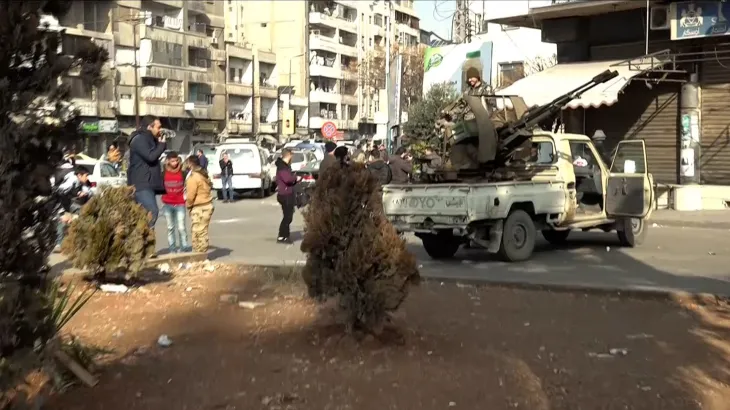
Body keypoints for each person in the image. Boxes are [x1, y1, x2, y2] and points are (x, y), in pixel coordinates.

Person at [128, 115, 166, 229]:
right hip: (140, 183)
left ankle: (144, 239)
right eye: (158, 127)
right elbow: (150, 156)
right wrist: (161, 145)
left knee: (144, 214)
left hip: (148, 183)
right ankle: (142, 236)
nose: (160, 130)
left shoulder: (150, 139)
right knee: (152, 211)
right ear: (150, 127)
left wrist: (160, 144)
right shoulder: (139, 139)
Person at [55, 167, 93, 252]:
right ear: (79, 175)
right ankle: (59, 244)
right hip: (61, 204)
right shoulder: (72, 179)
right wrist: (77, 193)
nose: (87, 178)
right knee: (63, 220)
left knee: (80, 215)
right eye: (86, 176)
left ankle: (77, 242)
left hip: (69, 204)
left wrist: (85, 193)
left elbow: (89, 191)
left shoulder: (82, 182)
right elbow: (61, 190)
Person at [161, 152, 190, 253]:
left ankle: (184, 247)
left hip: (180, 203)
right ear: (168, 161)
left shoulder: (183, 172)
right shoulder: (163, 173)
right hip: (167, 204)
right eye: (172, 161)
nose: (174, 163)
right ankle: (172, 248)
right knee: (170, 228)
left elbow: (188, 184)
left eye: (176, 160)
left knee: (181, 227)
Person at [185, 155, 214, 253]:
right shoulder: (203, 173)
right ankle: (200, 253)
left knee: (198, 232)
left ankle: (200, 255)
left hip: (199, 207)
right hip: (207, 204)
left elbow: (190, 195)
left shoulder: (193, 177)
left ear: (190, 164)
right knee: (203, 231)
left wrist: (189, 206)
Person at [275, 149, 299, 244]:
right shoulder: (282, 167)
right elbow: (287, 179)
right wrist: (295, 177)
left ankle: (285, 235)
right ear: (288, 156)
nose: (291, 158)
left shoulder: (285, 166)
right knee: (287, 217)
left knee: (288, 216)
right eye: (291, 156)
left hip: (287, 193)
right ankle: (282, 236)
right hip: (285, 194)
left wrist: (296, 179)